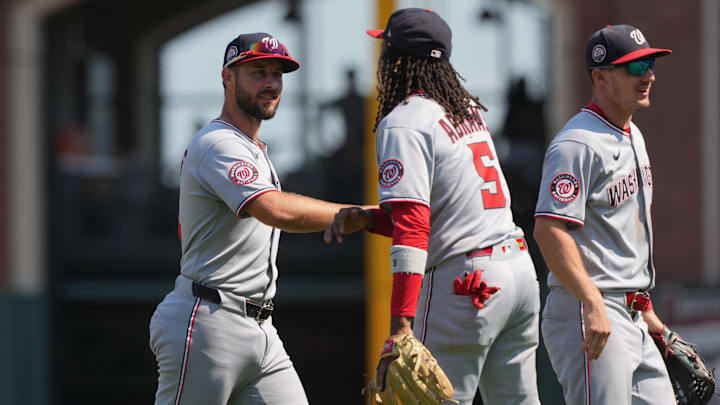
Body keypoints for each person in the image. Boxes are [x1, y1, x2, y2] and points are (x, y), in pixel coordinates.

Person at [324, 8, 541, 405]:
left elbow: (413, 224)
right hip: (518, 274)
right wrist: (371, 219)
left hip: (467, 283)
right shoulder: (465, 111)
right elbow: (448, 213)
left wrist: (401, 325)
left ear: (398, 60)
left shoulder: (405, 119)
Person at [149, 32, 358, 405]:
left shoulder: (251, 148)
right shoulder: (218, 143)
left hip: (260, 327)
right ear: (228, 77)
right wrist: (354, 214)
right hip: (208, 319)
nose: (270, 83)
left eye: (277, 75)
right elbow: (272, 208)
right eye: (257, 72)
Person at [533, 24, 676, 404]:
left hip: (631, 311)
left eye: (649, 63)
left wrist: (645, 310)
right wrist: (593, 302)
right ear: (600, 76)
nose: (648, 75)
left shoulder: (633, 134)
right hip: (588, 311)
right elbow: (549, 229)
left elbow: (619, 240)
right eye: (634, 67)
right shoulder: (576, 144)